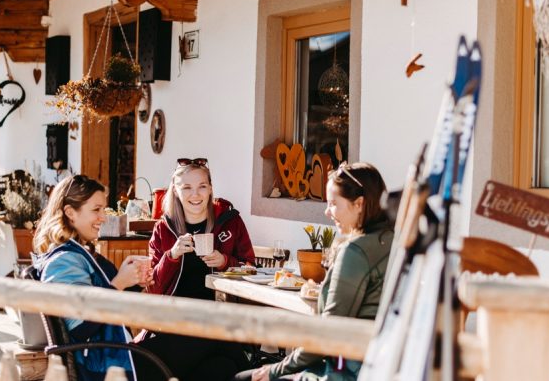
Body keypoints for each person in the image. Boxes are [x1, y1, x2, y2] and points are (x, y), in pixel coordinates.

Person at [237, 162, 394, 381]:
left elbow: (326, 334)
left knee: (242, 378)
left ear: (358, 204)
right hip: (379, 365)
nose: (327, 211)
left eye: (333, 204)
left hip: (347, 370)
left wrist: (276, 370)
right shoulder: (392, 240)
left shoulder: (356, 251)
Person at [139, 157, 255, 380]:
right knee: (226, 365)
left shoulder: (230, 221)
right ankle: (242, 358)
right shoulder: (163, 229)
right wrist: (172, 256)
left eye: (202, 186)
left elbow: (252, 269)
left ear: (210, 189)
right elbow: (152, 289)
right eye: (187, 188)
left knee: (221, 368)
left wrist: (225, 262)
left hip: (221, 318)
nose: (195, 195)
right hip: (173, 324)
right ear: (176, 191)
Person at [32, 175, 152, 381]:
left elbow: (107, 292)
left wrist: (133, 282)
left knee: (216, 361)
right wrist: (119, 283)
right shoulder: (64, 261)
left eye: (104, 209)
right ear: (70, 212)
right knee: (208, 346)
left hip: (113, 354)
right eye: (96, 210)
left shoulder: (81, 253)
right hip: (104, 365)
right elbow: (79, 327)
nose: (103, 217)